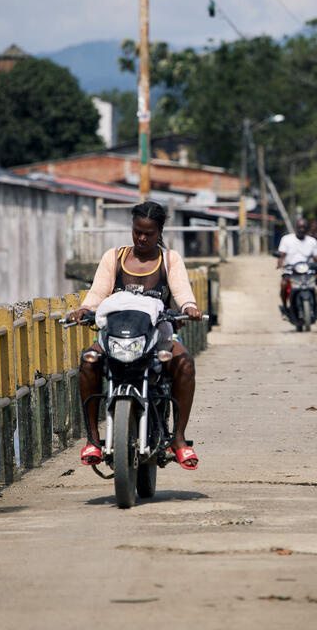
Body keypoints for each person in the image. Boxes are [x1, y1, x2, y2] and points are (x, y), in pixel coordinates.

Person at [65, 201, 202, 471]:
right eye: (137, 231)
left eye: (148, 233)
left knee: (184, 362)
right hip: (115, 336)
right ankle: (92, 438)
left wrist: (189, 308)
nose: (141, 238)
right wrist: (83, 309)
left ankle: (179, 438)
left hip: (156, 338)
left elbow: (182, 292)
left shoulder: (170, 259)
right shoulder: (113, 258)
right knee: (89, 361)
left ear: (159, 231)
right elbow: (97, 293)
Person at [276, 218, 317, 317]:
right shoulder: (286, 239)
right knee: (283, 284)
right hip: (290, 270)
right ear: (296, 228)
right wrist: (280, 264)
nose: (302, 229)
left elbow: (316, 257)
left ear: (307, 229)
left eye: (304, 227)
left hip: (307, 270)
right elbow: (281, 255)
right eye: (300, 227)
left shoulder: (312, 241)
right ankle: (285, 309)